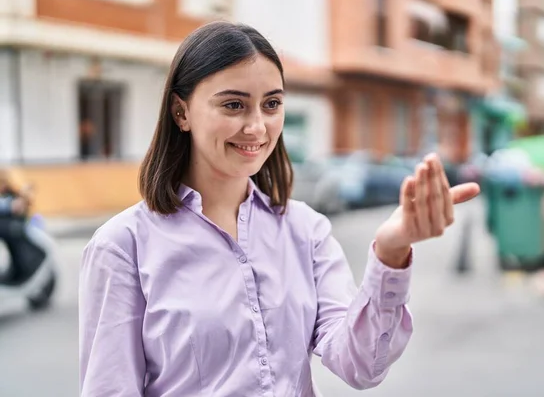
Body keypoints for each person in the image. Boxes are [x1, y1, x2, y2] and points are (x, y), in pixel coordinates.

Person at [78, 22, 480, 396]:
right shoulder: (122, 247)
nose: (257, 127)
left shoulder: (306, 230)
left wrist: (391, 253)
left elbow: (360, 366)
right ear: (181, 112)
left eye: (271, 104)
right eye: (234, 105)